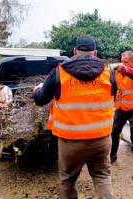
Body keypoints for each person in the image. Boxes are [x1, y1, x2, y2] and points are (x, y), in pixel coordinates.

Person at [33, 35, 117, 199]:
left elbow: (40, 100)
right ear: (95, 52)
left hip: (70, 143)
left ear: (74, 51)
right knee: (102, 177)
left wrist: (38, 89)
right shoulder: (108, 73)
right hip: (101, 139)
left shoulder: (59, 73)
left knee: (68, 180)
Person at [110, 51, 133, 180]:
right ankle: (113, 155)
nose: (122, 64)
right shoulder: (118, 72)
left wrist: (125, 69)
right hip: (120, 108)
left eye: (125, 62)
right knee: (114, 132)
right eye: (122, 61)